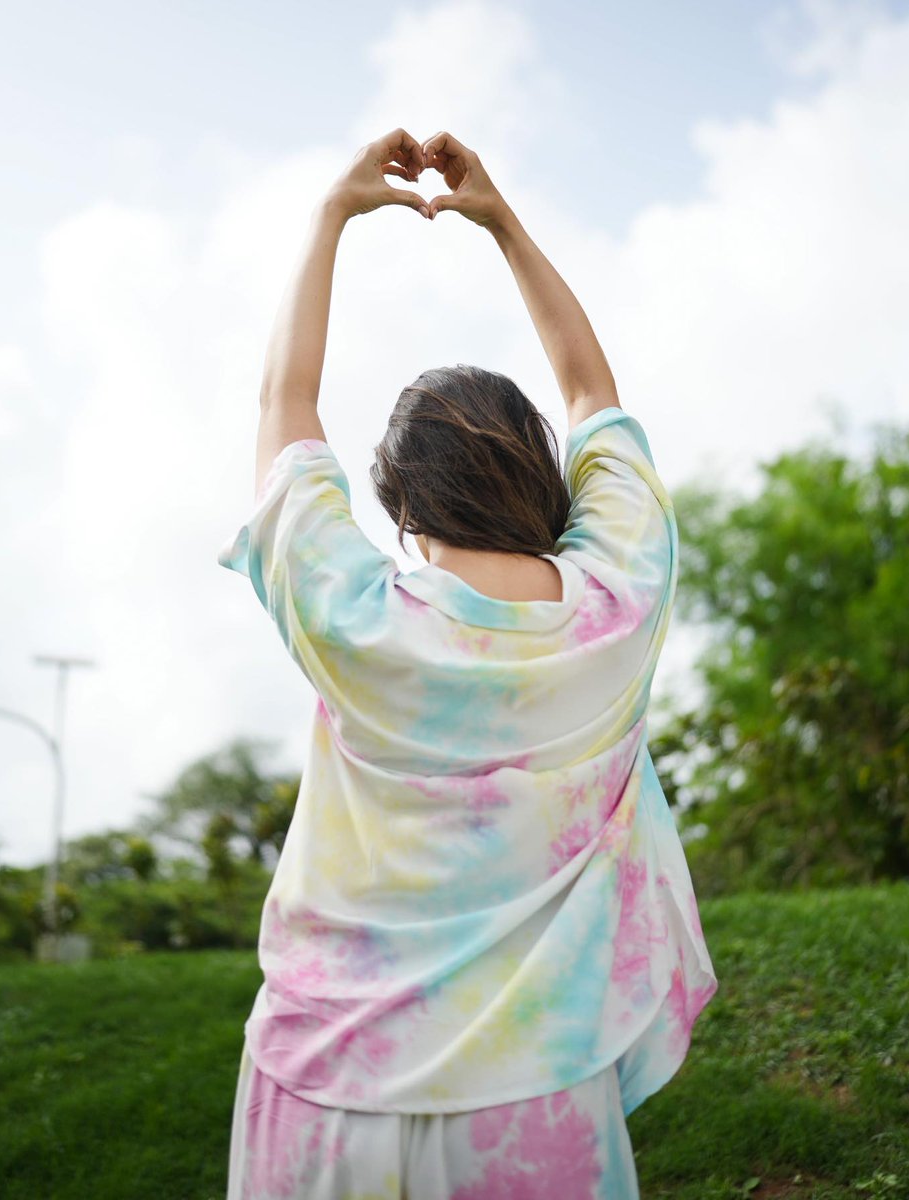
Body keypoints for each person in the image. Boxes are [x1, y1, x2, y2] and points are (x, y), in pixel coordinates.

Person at [217, 128, 718, 1200]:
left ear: (396, 507)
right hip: (535, 1094)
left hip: (324, 1086)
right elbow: (590, 388)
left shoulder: (355, 620)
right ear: (545, 475)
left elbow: (282, 409)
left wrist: (330, 216)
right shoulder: (617, 607)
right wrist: (498, 218)